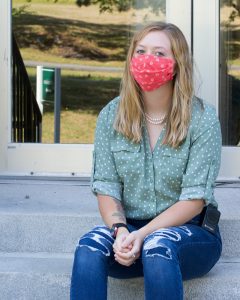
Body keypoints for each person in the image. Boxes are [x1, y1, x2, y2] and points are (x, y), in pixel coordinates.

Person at [70, 22, 222, 300]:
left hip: (191, 235)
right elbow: (106, 186)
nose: (147, 60)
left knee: (157, 246)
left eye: (159, 53)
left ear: (178, 64)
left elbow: (195, 198)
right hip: (127, 233)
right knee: (89, 247)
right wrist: (120, 232)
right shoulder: (111, 116)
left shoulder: (202, 119)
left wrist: (144, 235)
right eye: (140, 51)